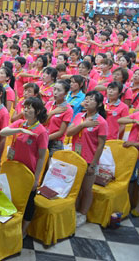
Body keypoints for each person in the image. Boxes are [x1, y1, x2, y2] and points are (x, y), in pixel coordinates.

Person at [0, 97, 49, 237]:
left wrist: (36, 179)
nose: (26, 110)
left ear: (38, 111)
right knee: (12, 197)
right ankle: (10, 227)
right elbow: (2, 132)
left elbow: (41, 157)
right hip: (14, 169)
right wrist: (20, 129)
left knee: (28, 202)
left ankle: (23, 230)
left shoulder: (41, 131)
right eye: (25, 107)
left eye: (30, 108)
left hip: (28, 171)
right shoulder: (20, 123)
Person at [66, 91, 108, 227]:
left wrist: (93, 164)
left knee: (86, 188)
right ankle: (73, 210)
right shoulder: (79, 116)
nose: (88, 101)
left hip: (89, 160)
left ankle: (82, 214)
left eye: (92, 99)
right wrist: (83, 125)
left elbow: (101, 145)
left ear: (99, 104)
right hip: (75, 157)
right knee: (75, 187)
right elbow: (69, 132)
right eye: (87, 98)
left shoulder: (100, 122)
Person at [45, 80, 73, 155]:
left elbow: (61, 132)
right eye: (54, 89)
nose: (55, 92)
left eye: (59, 90)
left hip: (55, 143)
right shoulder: (49, 104)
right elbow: (42, 122)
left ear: (66, 93)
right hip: (43, 138)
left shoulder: (68, 109)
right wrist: (52, 113)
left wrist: (46, 138)